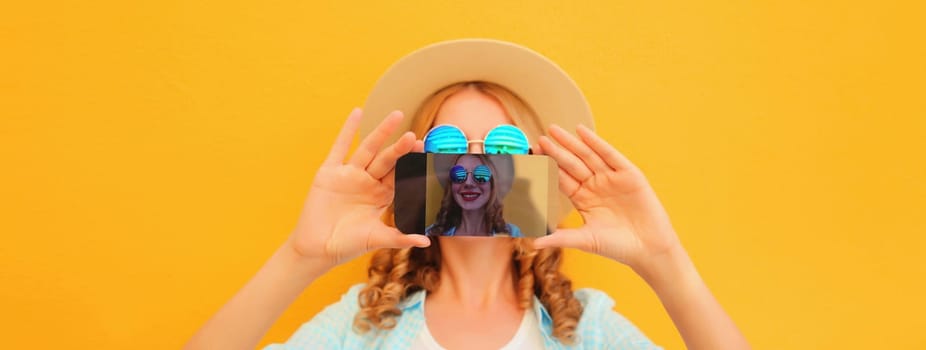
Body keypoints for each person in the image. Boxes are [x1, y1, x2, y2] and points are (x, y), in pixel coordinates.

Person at [186, 39, 749, 349]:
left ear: (539, 173)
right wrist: (298, 258)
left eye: (502, 145)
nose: (474, 165)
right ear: (415, 171)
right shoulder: (361, 330)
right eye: (448, 143)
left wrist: (666, 261)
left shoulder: (589, 328)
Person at [425, 153, 522, 237]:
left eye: (481, 174)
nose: (468, 183)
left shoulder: (513, 234)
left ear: (492, 185)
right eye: (459, 174)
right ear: (451, 185)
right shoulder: (430, 234)